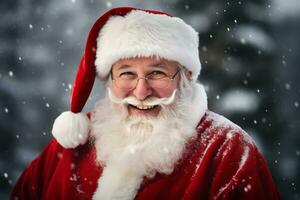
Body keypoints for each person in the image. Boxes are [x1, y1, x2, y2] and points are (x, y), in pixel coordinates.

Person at [10, 7, 280, 200]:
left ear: (185, 77)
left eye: (157, 73)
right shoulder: (72, 143)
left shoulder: (228, 149)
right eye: (127, 73)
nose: (141, 91)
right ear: (109, 80)